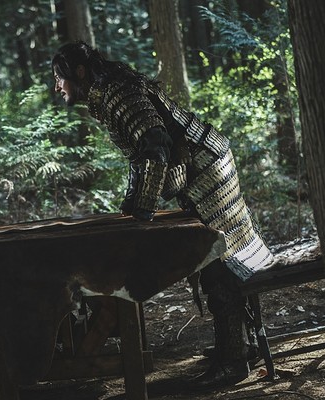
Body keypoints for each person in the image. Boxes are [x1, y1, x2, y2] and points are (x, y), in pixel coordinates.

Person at [51, 41, 274, 388]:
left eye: (59, 77)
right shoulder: (108, 92)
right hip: (202, 164)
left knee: (218, 261)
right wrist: (133, 207)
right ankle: (241, 347)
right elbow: (141, 154)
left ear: (79, 72)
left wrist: (143, 210)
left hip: (207, 168)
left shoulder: (116, 91)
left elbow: (156, 146)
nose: (57, 87)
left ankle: (234, 361)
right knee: (216, 259)